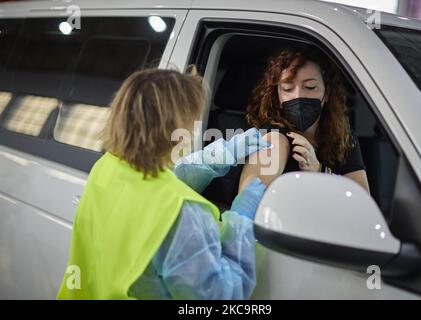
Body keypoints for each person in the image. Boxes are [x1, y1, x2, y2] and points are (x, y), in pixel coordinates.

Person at [57, 67, 271, 300]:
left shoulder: (107, 168)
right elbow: (221, 296)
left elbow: (151, 189)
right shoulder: (182, 214)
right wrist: (240, 221)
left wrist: (220, 154)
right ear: (174, 127)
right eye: (192, 119)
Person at [239, 47, 370, 192]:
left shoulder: (343, 138)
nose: (298, 96)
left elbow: (361, 199)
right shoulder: (275, 138)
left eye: (310, 87)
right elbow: (248, 200)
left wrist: (319, 171)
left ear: (327, 94)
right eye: (288, 88)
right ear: (277, 96)